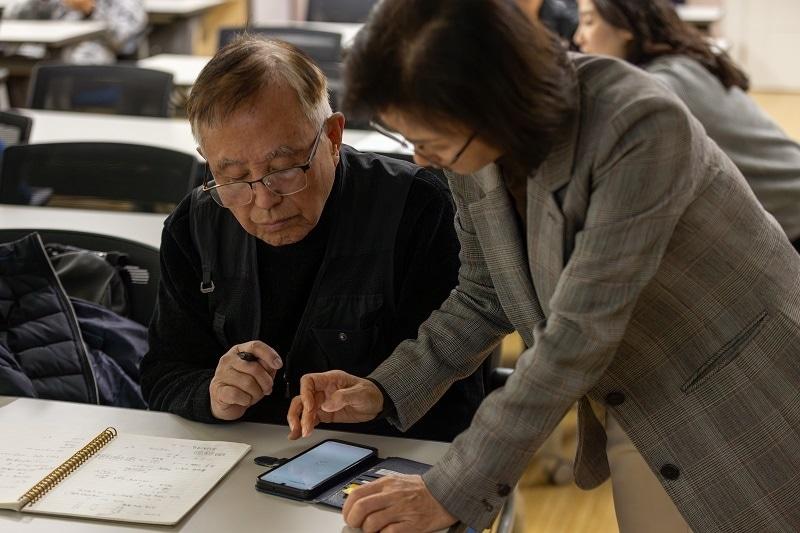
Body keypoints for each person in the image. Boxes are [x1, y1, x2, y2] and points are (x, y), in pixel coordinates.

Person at [286, 1, 800, 532]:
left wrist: (451, 488)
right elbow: (485, 295)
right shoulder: (474, 147)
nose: (419, 159)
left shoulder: (639, 124)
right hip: (636, 395)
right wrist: (385, 387)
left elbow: (576, 337)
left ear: (495, 103)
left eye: (429, 141)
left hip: (748, 391)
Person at [139, 36, 484, 442]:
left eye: (285, 168)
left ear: (333, 138)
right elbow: (163, 375)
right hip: (237, 460)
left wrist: (381, 396)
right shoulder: (195, 225)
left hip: (374, 465)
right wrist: (211, 394)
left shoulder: (417, 210)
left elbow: (457, 398)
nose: (264, 200)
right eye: (233, 178)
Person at [573, 0, 800, 251]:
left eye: (588, 21)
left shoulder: (661, 87)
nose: (578, 37)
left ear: (625, 26)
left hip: (792, 216)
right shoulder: (680, 63)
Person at [3, 0, 147, 63]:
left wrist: (91, 10)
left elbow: (124, 39)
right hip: (42, 51)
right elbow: (13, 17)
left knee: (79, 60)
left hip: (91, 54)